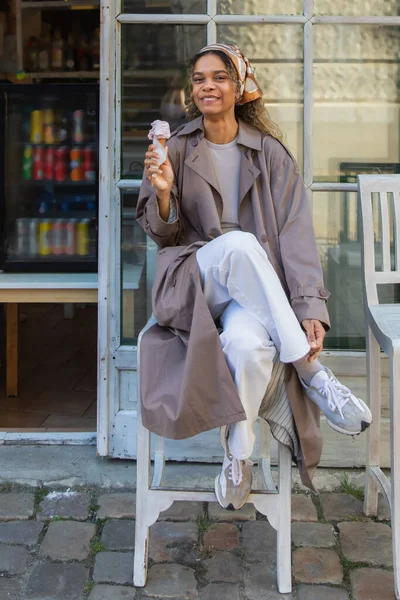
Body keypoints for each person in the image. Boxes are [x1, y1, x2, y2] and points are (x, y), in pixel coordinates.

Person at [137, 43, 372, 511]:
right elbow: (159, 233)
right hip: (193, 283)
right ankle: (310, 371)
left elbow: (297, 236)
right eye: (200, 78)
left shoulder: (271, 155)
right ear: (192, 89)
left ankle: (237, 458)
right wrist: (163, 193)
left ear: (239, 86)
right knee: (241, 244)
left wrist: (310, 308)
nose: (207, 85)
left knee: (248, 345)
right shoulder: (175, 148)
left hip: (250, 294)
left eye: (219, 77)